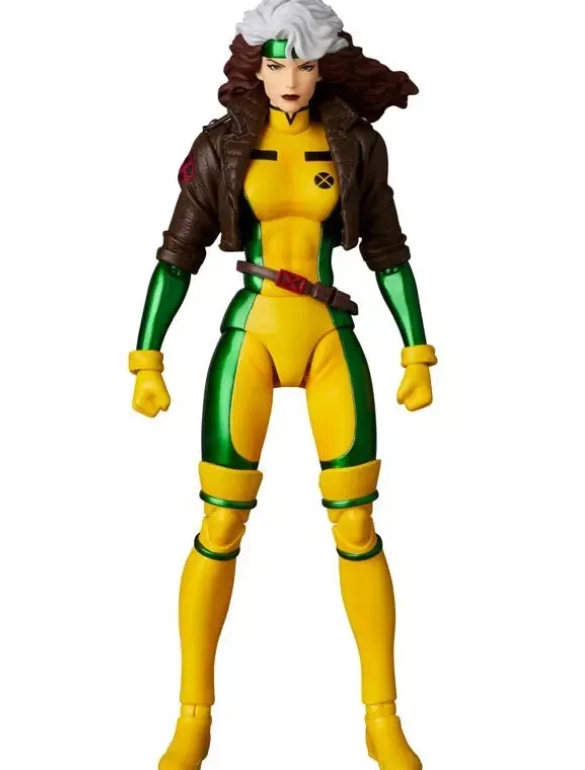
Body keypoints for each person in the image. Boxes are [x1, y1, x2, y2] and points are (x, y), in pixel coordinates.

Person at [128, 1, 437, 767]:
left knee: (357, 527)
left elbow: (388, 251)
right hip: (254, 335)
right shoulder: (221, 145)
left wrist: (416, 349)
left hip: (328, 334)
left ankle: (382, 717)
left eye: (303, 63)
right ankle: (193, 716)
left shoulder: (356, 144)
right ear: (255, 69)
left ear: (323, 68)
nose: (290, 79)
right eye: (275, 63)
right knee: (220, 525)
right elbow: (177, 255)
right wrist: (147, 357)